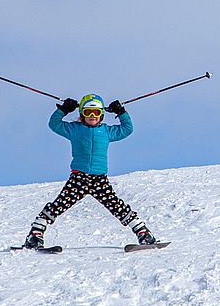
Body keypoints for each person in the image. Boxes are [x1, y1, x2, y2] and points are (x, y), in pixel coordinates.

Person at [22, 94, 157, 250]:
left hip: (99, 179)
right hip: (79, 178)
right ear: (81, 114)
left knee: (117, 206)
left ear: (102, 115)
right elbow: (54, 124)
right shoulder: (74, 129)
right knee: (59, 205)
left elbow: (127, 129)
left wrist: (121, 112)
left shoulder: (107, 131)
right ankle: (35, 235)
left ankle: (143, 233)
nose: (92, 116)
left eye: (96, 113)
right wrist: (64, 110)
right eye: (88, 113)